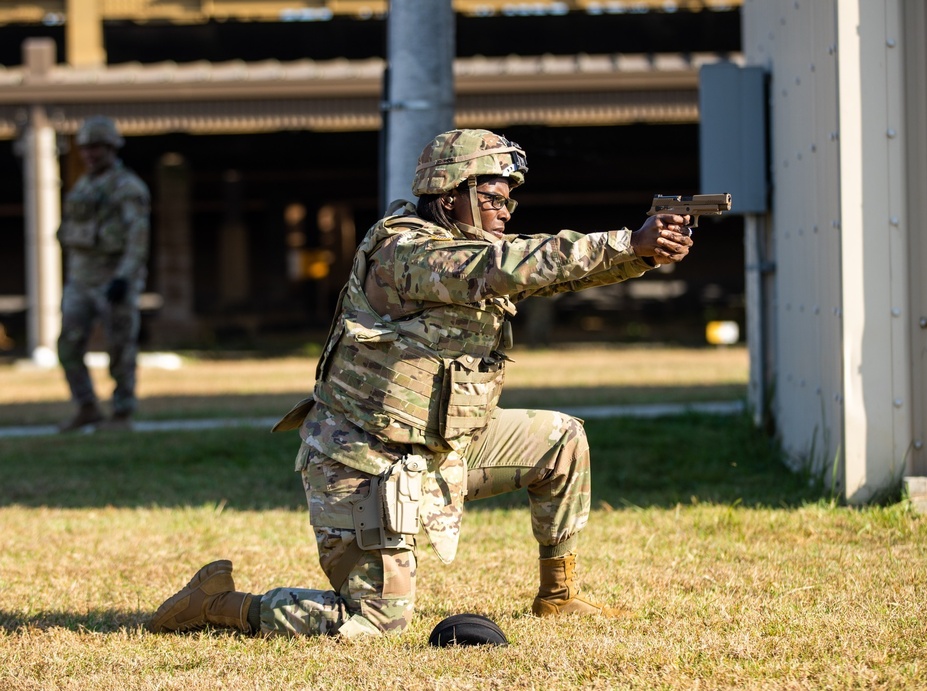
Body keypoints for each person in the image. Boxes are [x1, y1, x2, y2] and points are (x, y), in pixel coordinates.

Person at [149, 129, 693, 638]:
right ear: (449, 193)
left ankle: (559, 593)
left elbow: (541, 271)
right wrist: (626, 239)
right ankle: (219, 604)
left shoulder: (470, 252)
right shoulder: (406, 252)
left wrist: (640, 254)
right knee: (377, 621)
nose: (506, 211)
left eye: (509, 201)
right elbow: (506, 265)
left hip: (443, 444)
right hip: (364, 460)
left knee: (561, 440)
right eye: (494, 198)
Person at [56, 115, 151, 432]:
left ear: (111, 147)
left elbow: (138, 237)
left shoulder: (127, 187)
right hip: (81, 281)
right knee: (67, 344)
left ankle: (122, 413)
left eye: (96, 147)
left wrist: (124, 277)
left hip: (114, 280)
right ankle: (86, 407)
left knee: (120, 347)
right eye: (85, 148)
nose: (89, 154)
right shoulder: (83, 184)